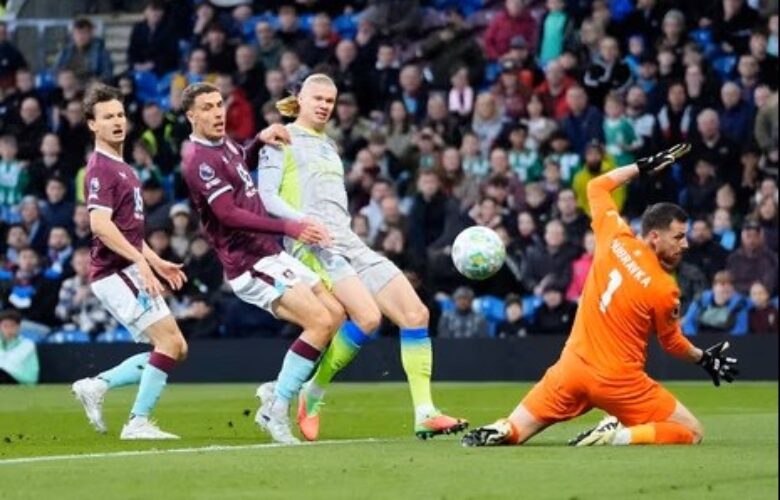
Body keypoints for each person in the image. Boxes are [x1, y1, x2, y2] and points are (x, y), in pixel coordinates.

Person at [461, 143, 740, 448]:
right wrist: (703, 359)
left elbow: (597, 186)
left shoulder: (614, 237)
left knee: (516, 429)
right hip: (618, 382)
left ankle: (502, 428)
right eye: (678, 237)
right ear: (654, 236)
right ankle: (616, 434)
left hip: (571, 369)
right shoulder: (664, 287)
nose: (684, 245)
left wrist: (641, 167)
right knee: (691, 431)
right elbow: (671, 343)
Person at [259, 73, 467, 442]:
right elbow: (266, 197)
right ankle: (313, 392)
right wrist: (300, 223)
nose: (324, 104)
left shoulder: (330, 146)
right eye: (317, 98)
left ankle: (424, 412)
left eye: (330, 100)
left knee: (416, 314)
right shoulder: (279, 138)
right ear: (299, 99)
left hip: (349, 241)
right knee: (368, 317)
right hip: (312, 245)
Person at [179, 82, 343, 445]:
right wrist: (289, 226)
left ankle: (278, 389)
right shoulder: (198, 161)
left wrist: (257, 141)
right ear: (191, 116)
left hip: (270, 253)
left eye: (220, 104)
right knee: (317, 322)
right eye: (207, 107)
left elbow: (240, 167)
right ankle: (276, 407)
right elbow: (229, 214)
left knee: (335, 316)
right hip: (248, 261)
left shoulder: (225, 144)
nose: (218, 112)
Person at [70, 84, 188, 440]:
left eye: (120, 114)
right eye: (107, 117)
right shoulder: (100, 168)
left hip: (127, 267)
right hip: (113, 272)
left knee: (176, 347)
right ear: (92, 125)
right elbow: (100, 225)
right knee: (169, 343)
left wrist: (156, 260)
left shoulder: (126, 169)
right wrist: (141, 263)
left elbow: (129, 231)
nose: (117, 121)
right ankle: (137, 421)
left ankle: (98, 385)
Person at [0, 309, 38, 385]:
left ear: (18, 327)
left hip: (16, 380)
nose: (9, 329)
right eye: (5, 326)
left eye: (12, 326)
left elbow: (32, 373)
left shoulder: (28, 345)